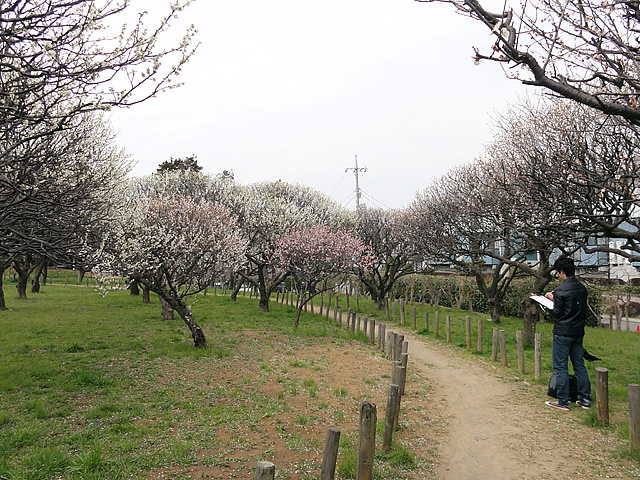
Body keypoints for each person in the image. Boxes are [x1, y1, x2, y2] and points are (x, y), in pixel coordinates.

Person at [544, 256, 592, 412]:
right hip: (578, 332)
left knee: (561, 367)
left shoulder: (560, 290)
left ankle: (563, 401)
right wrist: (556, 298)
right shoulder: (582, 288)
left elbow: (558, 313)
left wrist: (551, 302)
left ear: (562, 272)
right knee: (579, 364)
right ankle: (585, 399)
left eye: (558, 273)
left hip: (562, 333)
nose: (558, 275)